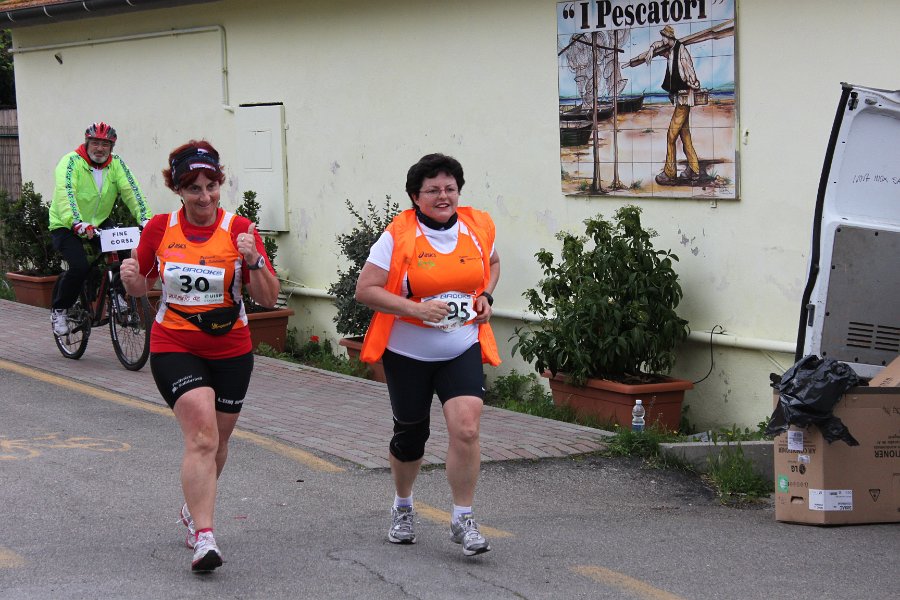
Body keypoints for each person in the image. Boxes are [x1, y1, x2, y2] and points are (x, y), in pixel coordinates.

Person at [119, 140, 280, 573]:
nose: (205, 196)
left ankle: (193, 511)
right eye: (194, 188)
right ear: (178, 190)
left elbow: (268, 298)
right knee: (202, 436)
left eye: (211, 186)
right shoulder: (159, 229)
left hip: (231, 348)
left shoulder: (240, 229)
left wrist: (255, 263)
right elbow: (141, 288)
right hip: (175, 343)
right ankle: (205, 537)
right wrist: (132, 278)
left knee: (219, 442)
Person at [355, 153, 500, 556]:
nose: (443, 196)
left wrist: (485, 295)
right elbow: (365, 290)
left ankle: (463, 518)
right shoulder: (397, 235)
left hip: (461, 345)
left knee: (467, 427)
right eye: (432, 190)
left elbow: (493, 263)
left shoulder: (478, 227)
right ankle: (403, 506)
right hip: (408, 352)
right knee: (411, 433)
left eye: (449, 188)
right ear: (415, 197)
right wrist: (416, 309)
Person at [49, 121, 152, 336]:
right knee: (79, 266)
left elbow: (132, 191)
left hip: (99, 221)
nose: (99, 148)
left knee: (128, 256)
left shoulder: (117, 165)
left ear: (112, 147)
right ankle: (60, 310)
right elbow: (65, 194)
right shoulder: (71, 162)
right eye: (95, 143)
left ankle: (119, 298)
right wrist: (76, 222)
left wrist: (146, 220)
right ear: (87, 143)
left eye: (105, 144)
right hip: (66, 224)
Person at [628, 25, 703, 185]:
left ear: (669, 37)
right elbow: (656, 45)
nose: (662, 40)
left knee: (670, 136)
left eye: (663, 37)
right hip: (680, 100)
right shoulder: (670, 50)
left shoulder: (681, 51)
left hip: (684, 100)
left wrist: (694, 84)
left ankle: (670, 173)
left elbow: (689, 69)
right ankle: (694, 170)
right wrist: (650, 50)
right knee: (685, 135)